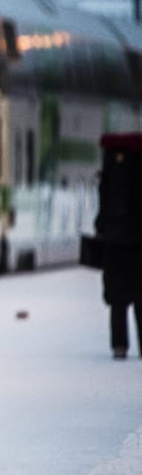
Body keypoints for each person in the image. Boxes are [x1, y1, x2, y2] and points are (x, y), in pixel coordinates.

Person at [94, 133, 142, 359]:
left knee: (117, 299)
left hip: (114, 240)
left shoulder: (111, 164)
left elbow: (103, 202)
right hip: (138, 241)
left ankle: (119, 346)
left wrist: (102, 227)